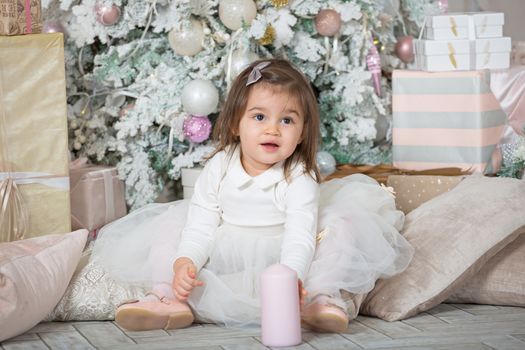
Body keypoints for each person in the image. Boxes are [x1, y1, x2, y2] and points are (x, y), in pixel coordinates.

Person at [91, 59, 413, 333]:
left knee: (340, 226)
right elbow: (202, 223)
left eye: (286, 120)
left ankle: (318, 298)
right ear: (235, 124)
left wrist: (291, 279)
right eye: (259, 117)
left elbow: (300, 236)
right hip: (226, 243)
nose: (272, 129)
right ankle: (168, 297)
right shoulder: (219, 165)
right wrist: (186, 261)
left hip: (282, 249)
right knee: (170, 226)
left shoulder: (298, 175)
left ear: (301, 133)